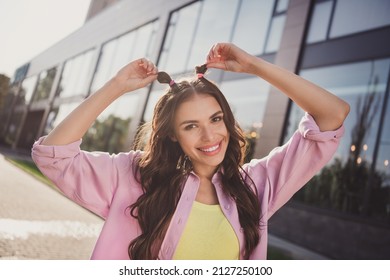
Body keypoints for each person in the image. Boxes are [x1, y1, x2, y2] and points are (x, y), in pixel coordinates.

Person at [31, 43, 350, 260]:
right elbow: (54, 155)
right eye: (191, 125)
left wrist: (255, 66)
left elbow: (332, 115)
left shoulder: (255, 187)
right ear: (171, 134)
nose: (210, 135)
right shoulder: (134, 177)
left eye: (216, 119)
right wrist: (116, 85)